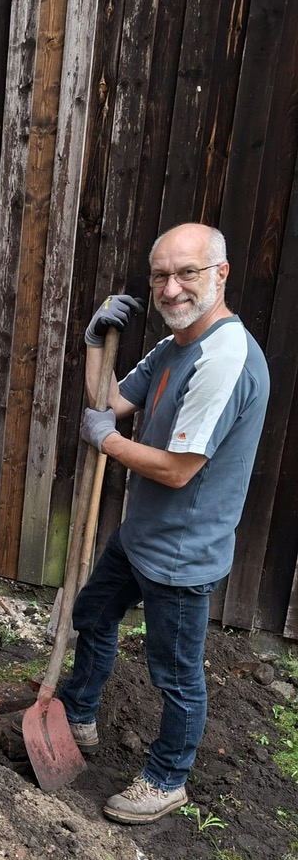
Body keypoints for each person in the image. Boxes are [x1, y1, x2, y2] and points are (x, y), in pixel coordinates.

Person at [59, 223, 270, 824]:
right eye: (160, 275)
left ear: (220, 275)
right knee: (93, 615)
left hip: (182, 553)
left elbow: (178, 470)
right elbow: (107, 401)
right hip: (141, 535)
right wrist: (94, 341)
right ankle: (77, 711)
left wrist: (109, 444)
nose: (171, 288)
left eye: (187, 273)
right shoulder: (175, 346)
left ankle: (167, 776)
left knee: (175, 674)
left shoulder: (224, 360)